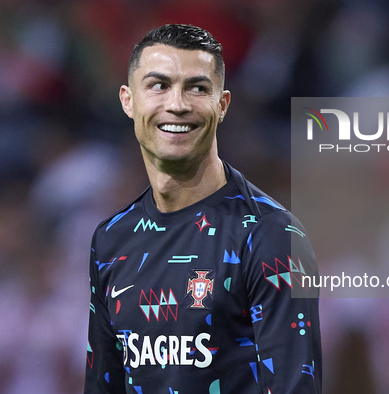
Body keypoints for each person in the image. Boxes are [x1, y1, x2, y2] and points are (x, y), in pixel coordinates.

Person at [84, 24, 321, 394]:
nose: (177, 105)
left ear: (222, 105)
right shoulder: (111, 239)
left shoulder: (270, 235)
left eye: (197, 88)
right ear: (128, 101)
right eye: (158, 85)